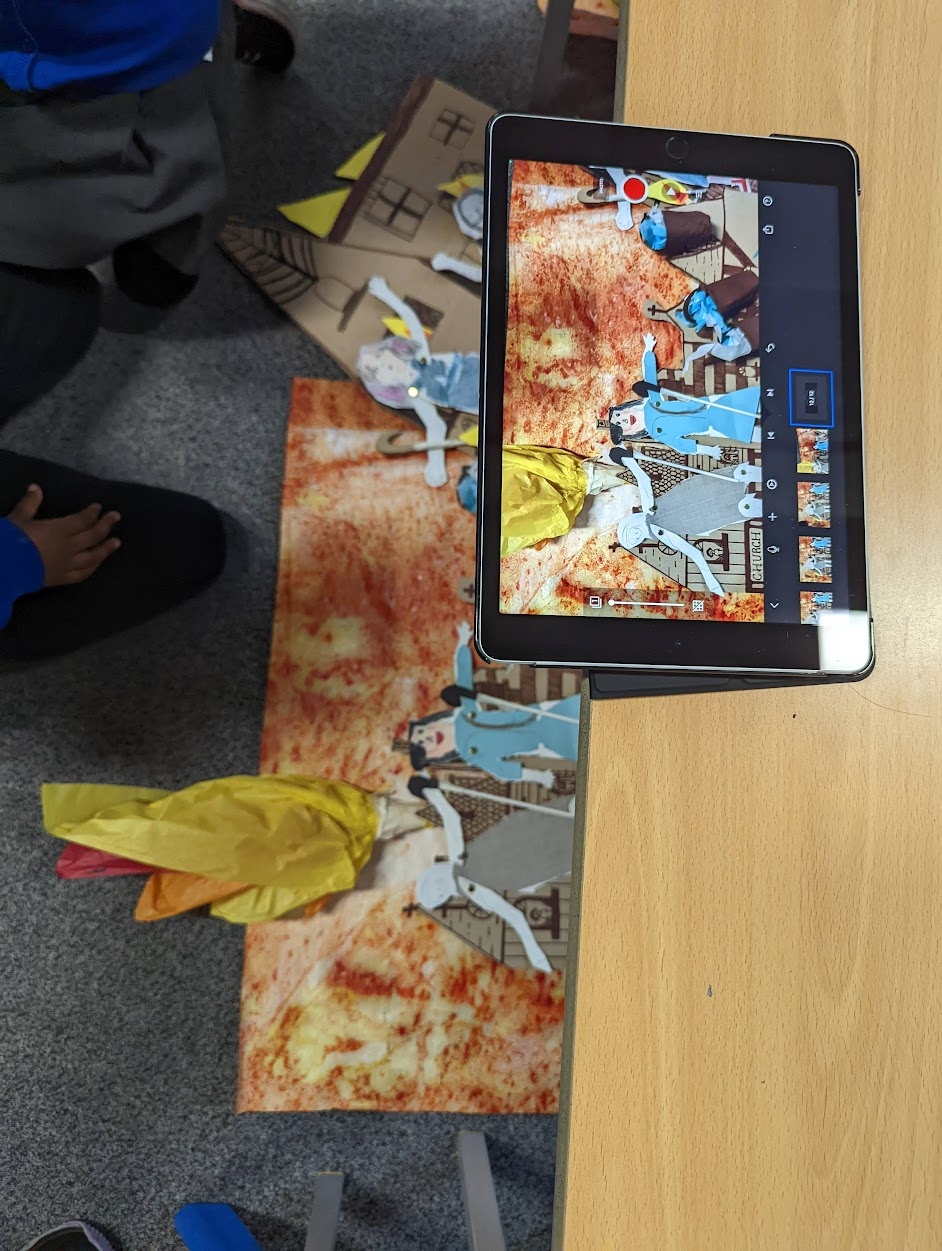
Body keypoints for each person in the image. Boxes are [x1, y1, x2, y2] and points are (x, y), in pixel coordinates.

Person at [399, 625, 581, 786]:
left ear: (432, 723)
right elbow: (503, 771)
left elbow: (463, 679)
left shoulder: (467, 713)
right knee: (584, 743)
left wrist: (462, 643)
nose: (427, 738)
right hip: (545, 743)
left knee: (584, 710)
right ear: (434, 755)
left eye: (422, 732)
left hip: (541, 713)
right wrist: (539, 777)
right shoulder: (472, 754)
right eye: (422, 744)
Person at [609, 333, 761, 459]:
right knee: (748, 432)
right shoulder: (657, 434)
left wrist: (648, 350)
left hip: (707, 404)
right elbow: (681, 446)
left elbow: (649, 378)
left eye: (620, 415)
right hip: (710, 426)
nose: (624, 420)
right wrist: (708, 451)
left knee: (748, 402)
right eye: (621, 424)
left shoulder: (652, 402)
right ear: (628, 433)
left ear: (626, 408)